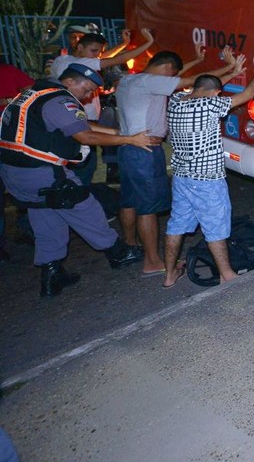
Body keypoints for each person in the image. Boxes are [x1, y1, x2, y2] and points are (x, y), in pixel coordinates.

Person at [0, 64, 160, 296]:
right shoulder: (58, 100)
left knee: (46, 217)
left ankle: (52, 274)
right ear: (70, 82)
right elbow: (84, 134)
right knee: (85, 206)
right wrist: (131, 140)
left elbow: (75, 125)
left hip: (13, 173)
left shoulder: (32, 94)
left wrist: (118, 133)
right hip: (42, 172)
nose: (87, 97)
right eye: (87, 90)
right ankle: (118, 252)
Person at [115, 33, 238, 276]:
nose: (174, 81)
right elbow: (194, 83)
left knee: (130, 200)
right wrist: (229, 67)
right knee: (148, 207)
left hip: (126, 149)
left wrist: (197, 59)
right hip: (144, 150)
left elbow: (185, 80)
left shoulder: (128, 81)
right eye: (172, 74)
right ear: (167, 69)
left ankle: (130, 244)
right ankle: (152, 260)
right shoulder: (150, 81)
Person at [160, 49, 254, 287]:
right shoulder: (209, 106)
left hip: (181, 177)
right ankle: (227, 274)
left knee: (176, 226)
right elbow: (248, 94)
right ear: (216, 94)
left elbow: (207, 86)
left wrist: (233, 71)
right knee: (216, 228)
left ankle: (169, 275)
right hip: (207, 180)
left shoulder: (176, 102)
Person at [49, 29, 155, 186]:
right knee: (86, 161)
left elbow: (105, 57)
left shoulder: (63, 60)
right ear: (80, 47)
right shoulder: (82, 63)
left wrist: (123, 44)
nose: (97, 55)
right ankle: (79, 193)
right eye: (94, 50)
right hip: (82, 117)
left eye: (99, 51)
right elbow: (115, 60)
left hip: (76, 117)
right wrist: (148, 43)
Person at [0, 62, 34, 262]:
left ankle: (27, 228)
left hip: (14, 138)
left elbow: (32, 92)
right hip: (13, 138)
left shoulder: (8, 70)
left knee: (23, 185)